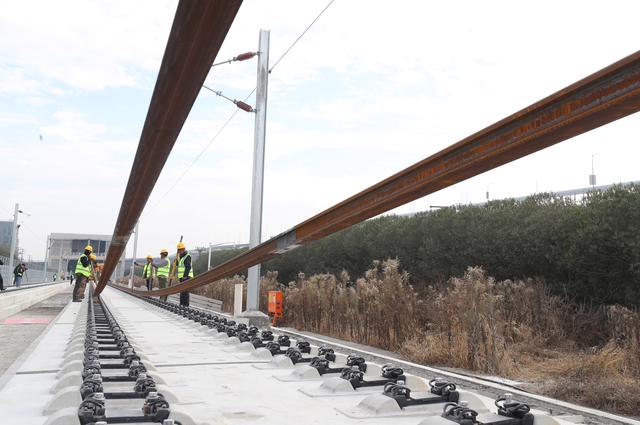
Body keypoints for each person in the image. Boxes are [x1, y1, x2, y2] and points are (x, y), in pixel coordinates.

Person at [175, 242, 193, 306]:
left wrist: (185, 276)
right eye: (178, 250)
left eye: (180, 250)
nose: (179, 251)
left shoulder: (187, 256)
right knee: (182, 291)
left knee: (185, 291)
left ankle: (185, 305)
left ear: (183, 249)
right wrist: (176, 262)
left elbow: (188, 267)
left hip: (186, 276)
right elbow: (180, 265)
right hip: (181, 277)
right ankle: (181, 304)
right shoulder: (181, 257)